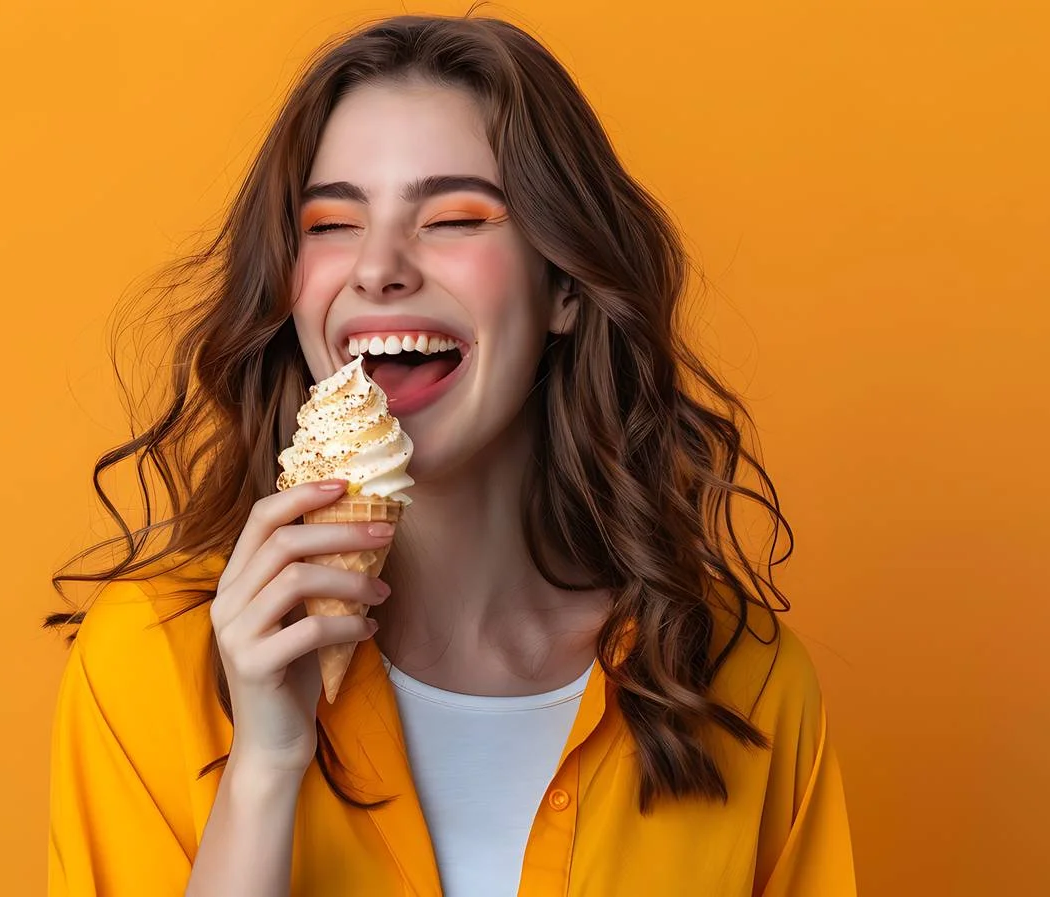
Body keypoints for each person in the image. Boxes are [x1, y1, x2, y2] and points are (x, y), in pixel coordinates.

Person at [45, 11, 855, 897]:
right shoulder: (152, 662)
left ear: (568, 291)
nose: (379, 266)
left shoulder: (744, 685)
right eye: (330, 224)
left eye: (455, 217)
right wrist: (268, 764)